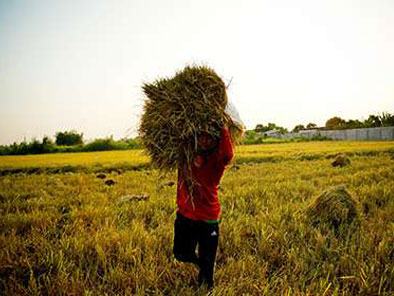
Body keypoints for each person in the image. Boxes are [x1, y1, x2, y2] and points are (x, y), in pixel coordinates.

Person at [173, 125, 234, 289]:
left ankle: (206, 282)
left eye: (210, 138)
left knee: (208, 261)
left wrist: (224, 127)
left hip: (208, 219)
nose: (205, 140)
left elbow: (228, 154)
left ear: (216, 141)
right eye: (202, 136)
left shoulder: (217, 161)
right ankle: (201, 264)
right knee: (180, 254)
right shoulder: (185, 157)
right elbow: (175, 138)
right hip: (185, 215)